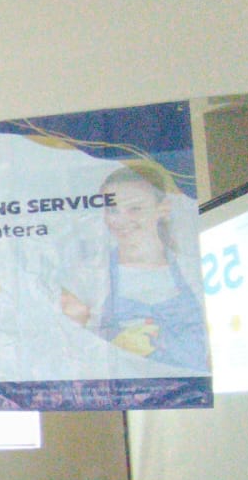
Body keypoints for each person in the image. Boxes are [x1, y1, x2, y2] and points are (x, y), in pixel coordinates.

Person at [59, 158, 205, 369]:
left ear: (163, 208)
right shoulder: (87, 279)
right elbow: (69, 356)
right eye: (112, 210)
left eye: (135, 208)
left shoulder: (196, 270)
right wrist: (113, 347)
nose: (120, 220)